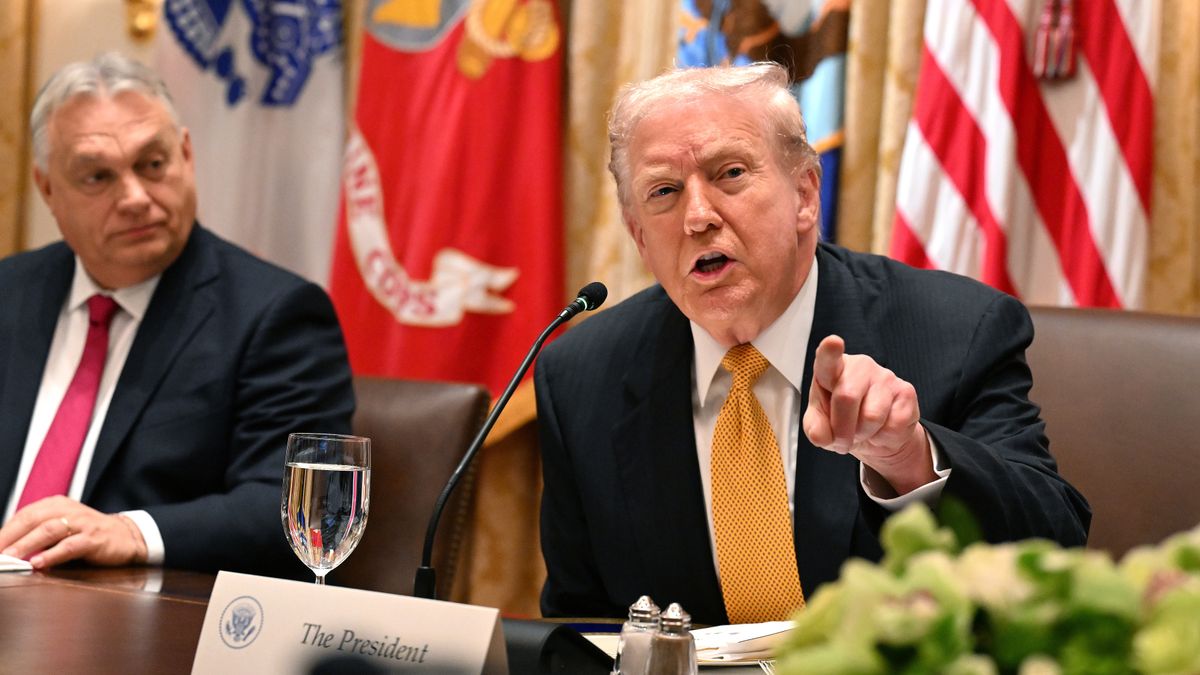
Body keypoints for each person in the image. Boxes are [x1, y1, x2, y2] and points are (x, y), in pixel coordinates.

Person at [534, 63, 1090, 626]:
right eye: (664, 191)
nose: (698, 217)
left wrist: (909, 457)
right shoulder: (579, 374)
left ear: (804, 193)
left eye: (729, 173)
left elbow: (1054, 552)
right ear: (638, 236)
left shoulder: (957, 330)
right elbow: (580, 623)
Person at [0, 52, 354, 578]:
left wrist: (132, 532)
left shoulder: (275, 315)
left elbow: (300, 512)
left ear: (186, 155)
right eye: (98, 177)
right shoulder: (9, 291)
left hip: (128, 624)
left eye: (153, 164)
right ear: (48, 188)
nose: (136, 197)